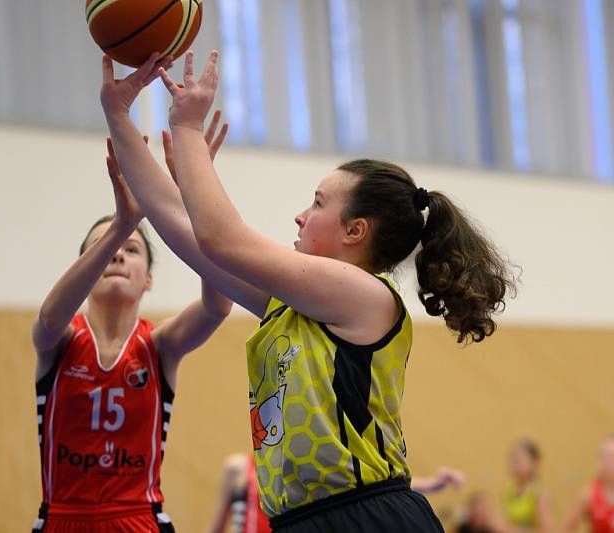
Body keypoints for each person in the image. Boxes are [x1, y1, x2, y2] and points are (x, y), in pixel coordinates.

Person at [101, 51, 517, 532]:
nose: (301, 215)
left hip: (365, 517)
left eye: (317, 203)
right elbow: (184, 231)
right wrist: (118, 114)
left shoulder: (364, 295)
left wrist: (189, 130)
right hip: (304, 520)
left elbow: (221, 238)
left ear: (355, 231)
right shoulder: (295, 305)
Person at [31, 126, 232, 532]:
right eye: (105, 246)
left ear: (149, 280)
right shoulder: (62, 339)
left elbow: (218, 305)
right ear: (83, 271)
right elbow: (49, 317)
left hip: (138, 519)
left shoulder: (158, 346)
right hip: (63, 517)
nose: (118, 254)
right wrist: (123, 223)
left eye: (132, 249)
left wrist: (194, 195)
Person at [207, 452, 464, 533]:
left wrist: (431, 483)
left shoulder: (311, 468)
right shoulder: (238, 468)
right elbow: (216, 525)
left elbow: (368, 487)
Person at [563, 435, 614, 532]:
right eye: (606, 457)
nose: (610, 462)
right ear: (599, 462)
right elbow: (567, 528)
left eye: (613, 457)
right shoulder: (589, 494)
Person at [501, 439, 552, 532]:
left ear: (534, 462)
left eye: (518, 460)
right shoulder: (509, 490)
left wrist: (515, 530)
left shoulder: (539, 492)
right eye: (512, 459)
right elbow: (507, 524)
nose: (513, 464)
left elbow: (546, 530)